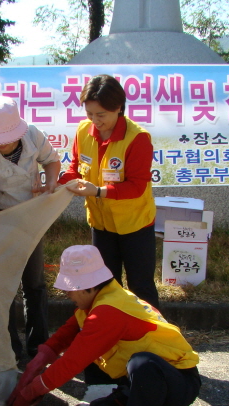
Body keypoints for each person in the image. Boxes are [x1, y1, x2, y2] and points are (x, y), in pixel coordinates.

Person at [8, 245, 200, 406]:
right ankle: (127, 395)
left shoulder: (109, 311)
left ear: (86, 286)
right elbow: (67, 332)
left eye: (69, 288)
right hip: (160, 371)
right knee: (126, 361)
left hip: (179, 382)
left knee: (141, 364)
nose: (65, 293)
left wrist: (31, 392)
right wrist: (36, 363)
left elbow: (72, 361)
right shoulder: (102, 298)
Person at [0, 96, 61, 358]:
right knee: (2, 284)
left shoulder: (32, 135)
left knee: (35, 282)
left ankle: (39, 344)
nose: (4, 143)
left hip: (30, 216)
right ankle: (9, 346)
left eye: (8, 136)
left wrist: (50, 183)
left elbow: (52, 160)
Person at [59, 74, 159, 308]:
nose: (95, 120)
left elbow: (137, 186)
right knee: (104, 285)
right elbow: (75, 167)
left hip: (135, 225)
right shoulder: (84, 130)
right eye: (90, 113)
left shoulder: (138, 138)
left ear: (119, 108)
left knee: (141, 286)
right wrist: (58, 184)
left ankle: (153, 341)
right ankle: (111, 339)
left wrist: (98, 192)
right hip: (101, 224)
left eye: (101, 115)